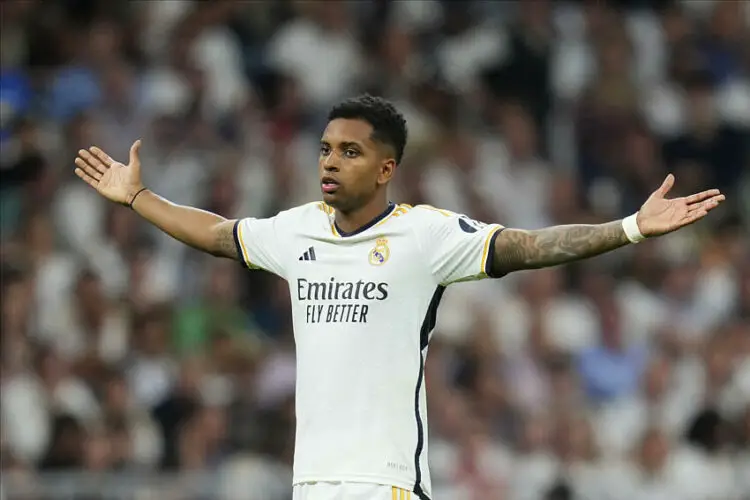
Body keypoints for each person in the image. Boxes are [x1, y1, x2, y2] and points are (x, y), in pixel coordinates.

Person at [73, 95, 725, 500]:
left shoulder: (424, 235)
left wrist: (631, 227)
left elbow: (528, 246)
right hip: (311, 484)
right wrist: (137, 197)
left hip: (384, 484)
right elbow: (219, 235)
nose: (329, 162)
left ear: (386, 168)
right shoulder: (296, 229)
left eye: (349, 152)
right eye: (325, 149)